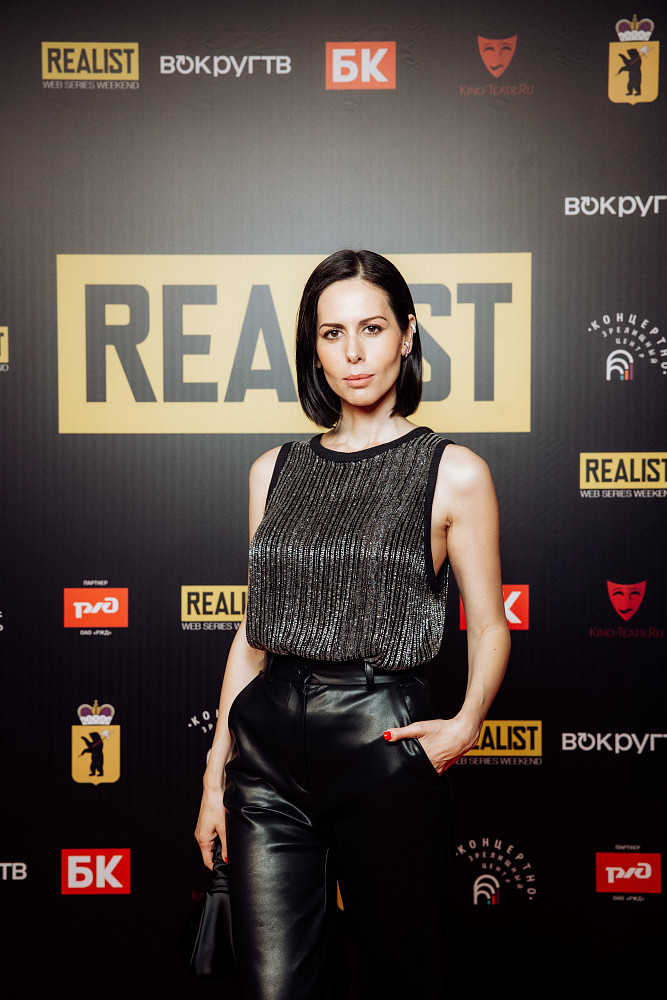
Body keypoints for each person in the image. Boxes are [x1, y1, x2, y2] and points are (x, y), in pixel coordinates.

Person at [195, 249, 510, 1000]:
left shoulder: (453, 471)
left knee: (400, 980)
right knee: (275, 989)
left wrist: (465, 724)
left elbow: (489, 625)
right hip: (267, 757)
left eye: (372, 328)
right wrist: (215, 772)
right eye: (332, 333)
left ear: (407, 334)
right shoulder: (273, 470)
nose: (354, 352)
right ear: (313, 348)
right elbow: (255, 631)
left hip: (381, 740)